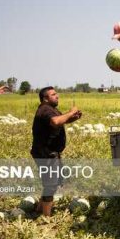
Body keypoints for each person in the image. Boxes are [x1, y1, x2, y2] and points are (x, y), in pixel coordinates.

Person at [31, 86, 82, 216]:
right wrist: (71, 112)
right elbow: (55, 121)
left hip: (47, 153)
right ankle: (46, 217)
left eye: (56, 94)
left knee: (49, 182)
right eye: (53, 94)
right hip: (45, 154)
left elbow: (60, 121)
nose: (57, 96)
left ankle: (38, 210)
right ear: (45, 99)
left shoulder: (50, 109)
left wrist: (73, 118)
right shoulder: (45, 110)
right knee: (51, 185)